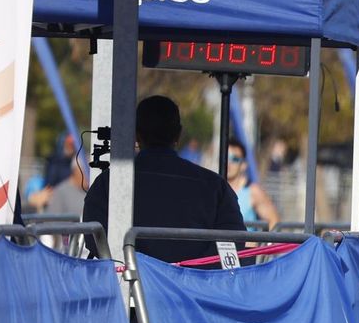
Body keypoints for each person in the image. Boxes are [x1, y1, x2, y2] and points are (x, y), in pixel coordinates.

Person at [83, 95, 246, 264]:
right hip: (193, 287)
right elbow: (234, 241)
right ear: (178, 134)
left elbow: (94, 238)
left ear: (136, 134)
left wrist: (137, 267)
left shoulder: (109, 182)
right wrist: (193, 273)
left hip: (130, 285)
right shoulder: (215, 186)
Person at [224, 139, 281, 230]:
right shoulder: (215, 190)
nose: (229, 163)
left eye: (235, 159)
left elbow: (274, 221)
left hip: (246, 244)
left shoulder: (253, 191)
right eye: (226, 157)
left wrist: (265, 244)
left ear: (243, 165)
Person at [31, 134, 88, 219]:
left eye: (72, 145)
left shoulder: (77, 157)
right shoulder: (55, 162)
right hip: (57, 195)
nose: (70, 147)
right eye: (68, 144)